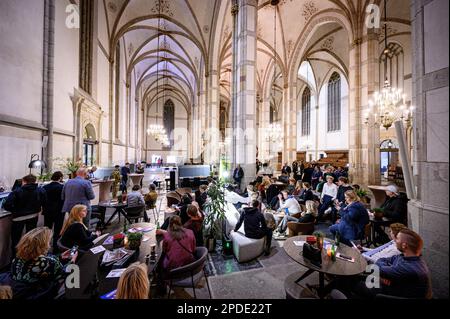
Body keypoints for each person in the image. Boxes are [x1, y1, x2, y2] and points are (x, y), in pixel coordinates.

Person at [353, 229, 432, 299]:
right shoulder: (405, 256)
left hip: (390, 293)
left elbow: (378, 266)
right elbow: (382, 260)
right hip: (391, 285)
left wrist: (386, 273)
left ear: (404, 245)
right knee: (358, 277)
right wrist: (387, 274)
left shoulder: (409, 268)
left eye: (397, 239)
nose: (395, 241)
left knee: (353, 284)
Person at [11, 227, 77, 288]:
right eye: (48, 242)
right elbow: (64, 273)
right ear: (42, 245)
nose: (49, 245)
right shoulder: (49, 263)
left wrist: (60, 256)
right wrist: (72, 260)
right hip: (40, 293)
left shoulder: (16, 259)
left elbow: (42, 259)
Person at [3, 174, 46, 257]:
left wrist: (15, 210)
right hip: (33, 216)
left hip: (18, 218)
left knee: (16, 240)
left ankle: (15, 259)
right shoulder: (40, 190)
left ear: (24, 181)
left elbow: (7, 205)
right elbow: (44, 202)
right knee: (31, 238)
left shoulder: (17, 191)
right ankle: (29, 257)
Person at [42, 171, 65, 251]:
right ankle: (55, 247)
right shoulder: (62, 187)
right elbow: (64, 198)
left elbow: (43, 199)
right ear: (60, 178)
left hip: (48, 211)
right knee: (58, 230)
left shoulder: (45, 187)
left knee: (47, 229)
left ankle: (45, 247)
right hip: (59, 211)